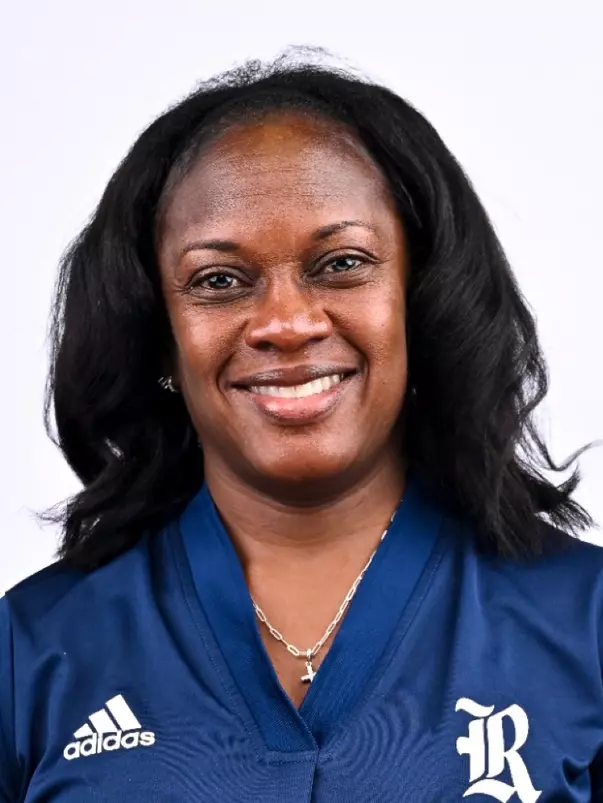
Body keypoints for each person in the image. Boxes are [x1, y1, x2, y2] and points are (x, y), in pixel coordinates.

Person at [1, 49, 602, 802]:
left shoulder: (585, 624)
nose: (286, 323)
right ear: (160, 336)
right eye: (219, 280)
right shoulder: (32, 651)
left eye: (341, 263)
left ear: (421, 300)